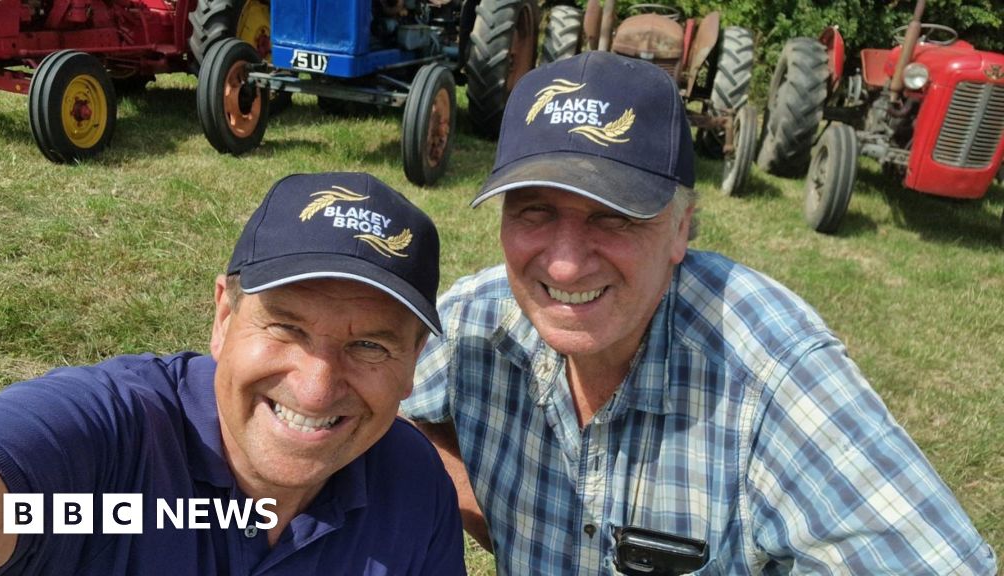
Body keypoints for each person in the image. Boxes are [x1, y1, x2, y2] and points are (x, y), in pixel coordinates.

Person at [401, 51, 998, 574]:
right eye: (534, 211)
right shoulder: (474, 322)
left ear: (682, 227)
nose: (563, 266)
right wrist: (506, 515)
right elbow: (383, 417)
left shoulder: (766, 369)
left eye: (614, 216)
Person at [0, 172, 465, 575]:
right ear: (224, 318)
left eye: (369, 346)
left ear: (413, 361)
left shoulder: (413, 487)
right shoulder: (114, 448)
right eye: (287, 327)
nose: (316, 391)